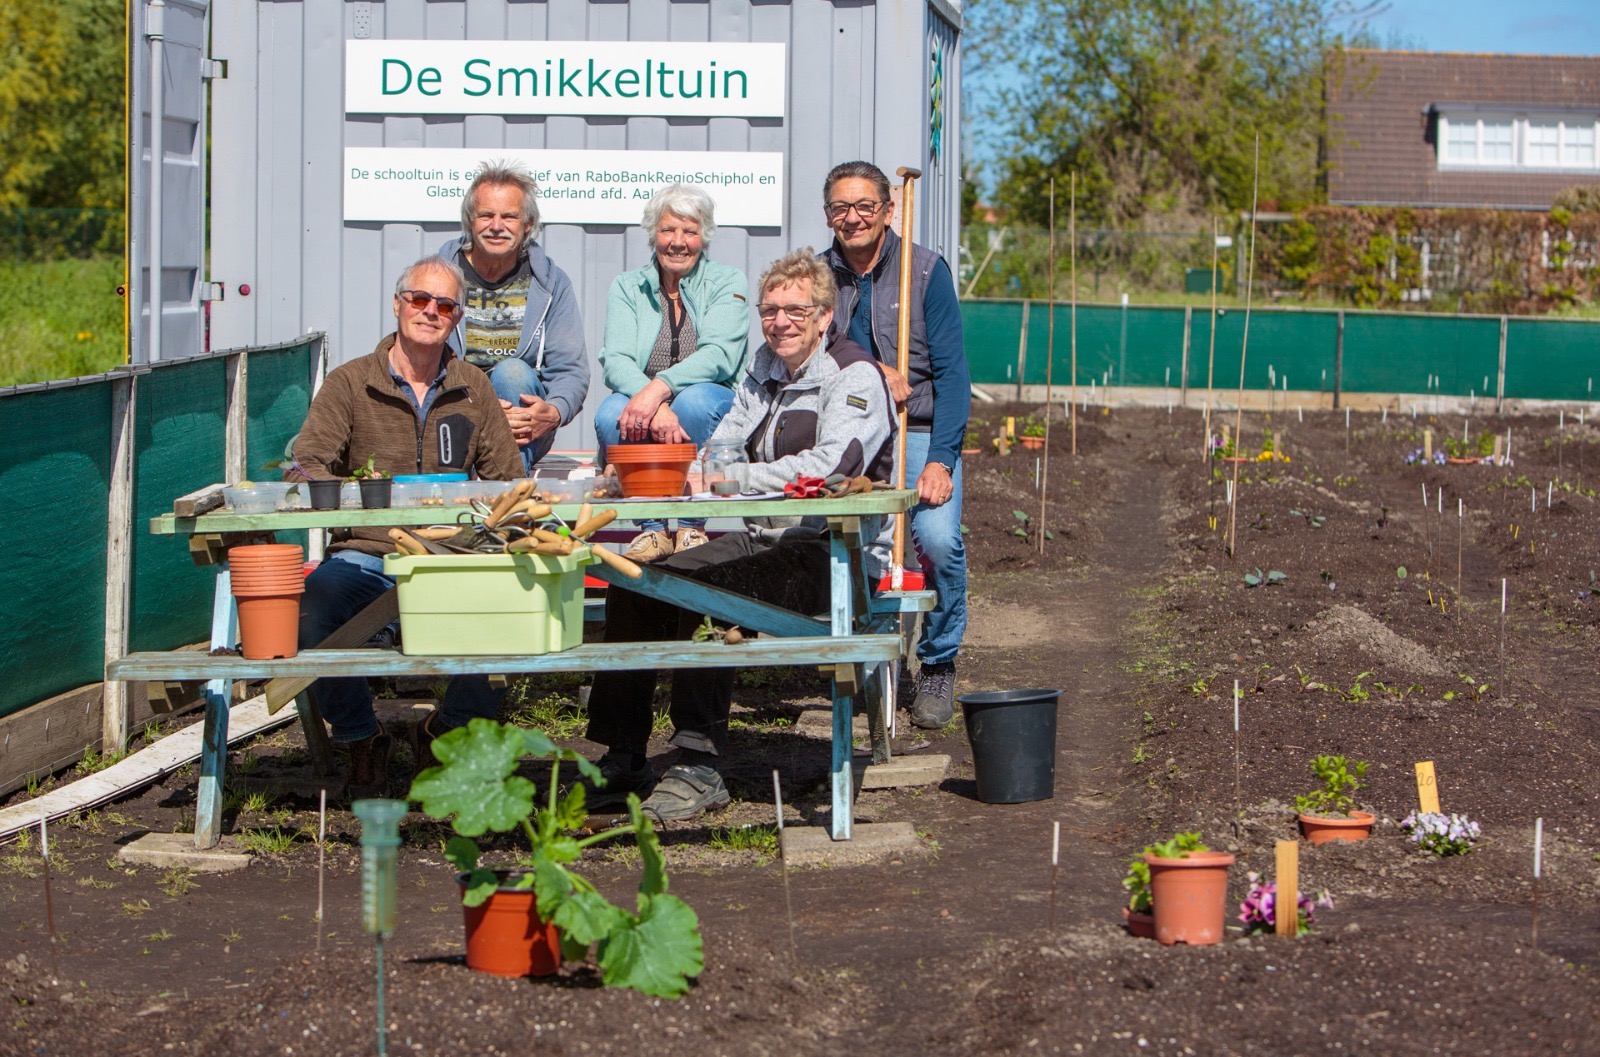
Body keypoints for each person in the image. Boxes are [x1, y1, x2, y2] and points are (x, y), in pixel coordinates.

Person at [582, 249, 896, 822]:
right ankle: (622, 752)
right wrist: (689, 473)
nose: (781, 322)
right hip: (763, 542)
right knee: (637, 580)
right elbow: (720, 445)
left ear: (825, 316)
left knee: (710, 591)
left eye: (796, 310)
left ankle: (698, 762)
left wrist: (734, 477)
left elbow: (831, 463)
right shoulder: (762, 368)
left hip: (832, 555)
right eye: (770, 310)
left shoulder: (855, 376)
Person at [292, 255, 525, 797]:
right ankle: (359, 737)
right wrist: (353, 500)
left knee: (509, 608)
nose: (430, 312)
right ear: (398, 304)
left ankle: (442, 730)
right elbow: (307, 461)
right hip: (367, 550)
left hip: (451, 554)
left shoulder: (473, 387)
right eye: (419, 299)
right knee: (315, 602)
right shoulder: (350, 382)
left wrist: (479, 526)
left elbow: (506, 477)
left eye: (444, 305)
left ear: (458, 317)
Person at [820, 160, 972, 730]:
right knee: (857, 544)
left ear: (888, 210)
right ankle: (874, 658)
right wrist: (870, 366)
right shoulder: (819, 277)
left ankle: (938, 660)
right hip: (855, 434)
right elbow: (807, 349)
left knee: (936, 540)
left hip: (922, 429)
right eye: (840, 207)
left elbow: (955, 376)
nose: (851, 217)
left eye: (864, 206)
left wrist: (941, 460)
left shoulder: (926, 272)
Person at [595, 183, 749, 562]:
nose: (678, 242)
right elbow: (616, 359)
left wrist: (659, 389)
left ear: (704, 237)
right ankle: (653, 529)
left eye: (690, 231)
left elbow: (719, 356)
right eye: (668, 230)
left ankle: (692, 525)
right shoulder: (628, 286)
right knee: (611, 412)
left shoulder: (728, 282)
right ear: (653, 234)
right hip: (645, 401)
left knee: (695, 402)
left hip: (707, 397)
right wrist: (653, 401)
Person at [439, 160, 588, 472]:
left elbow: (570, 371)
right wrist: (483, 411)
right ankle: (507, 509)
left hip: (522, 423)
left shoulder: (551, 283)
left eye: (509, 216)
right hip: (455, 413)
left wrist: (555, 411)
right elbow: (415, 361)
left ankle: (505, 501)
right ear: (470, 220)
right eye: (486, 215)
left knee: (512, 374)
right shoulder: (439, 278)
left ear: (528, 224)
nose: (497, 225)